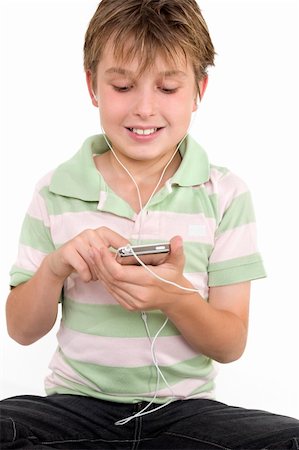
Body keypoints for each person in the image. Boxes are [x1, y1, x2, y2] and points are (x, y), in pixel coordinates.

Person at [1, 0, 298, 448]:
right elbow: (21, 330)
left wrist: (174, 297)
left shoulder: (225, 194)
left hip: (184, 412)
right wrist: (55, 268)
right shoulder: (55, 191)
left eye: (167, 88)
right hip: (74, 409)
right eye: (122, 85)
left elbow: (230, 344)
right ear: (92, 86)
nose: (144, 108)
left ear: (199, 90)